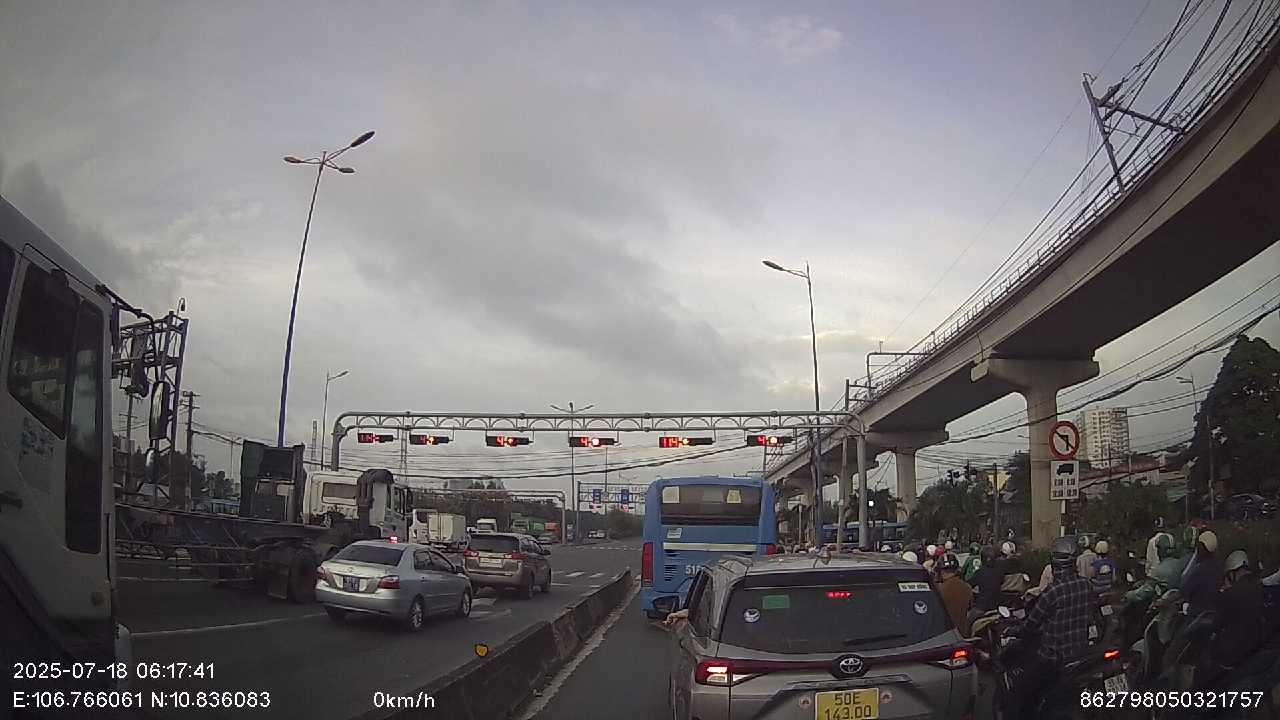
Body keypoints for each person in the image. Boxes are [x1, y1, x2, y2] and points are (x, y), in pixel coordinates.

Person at [1006, 536, 1095, 719]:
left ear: (1054, 563)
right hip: (1080, 654)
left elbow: (1031, 624)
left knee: (1020, 691)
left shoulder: (1052, 592)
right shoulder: (1086, 585)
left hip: (1053, 659)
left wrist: (1015, 630)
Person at [1211, 550, 1264, 669]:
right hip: (1257, 646)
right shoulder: (1259, 586)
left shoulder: (1230, 594)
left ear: (1232, 573)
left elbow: (1217, 624)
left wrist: (1224, 592)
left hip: (1233, 653)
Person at [1180, 529, 1222, 618]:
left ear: (1201, 548)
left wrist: (1164, 602)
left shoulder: (1200, 570)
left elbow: (1184, 591)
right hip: (1215, 613)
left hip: (1197, 615)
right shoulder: (1219, 566)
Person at [935, 553, 974, 636]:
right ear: (956, 570)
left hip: (943, 635)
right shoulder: (967, 587)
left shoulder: (938, 590)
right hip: (963, 635)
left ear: (941, 571)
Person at [973, 545, 1005, 612]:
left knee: (968, 618)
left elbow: (969, 584)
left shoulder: (979, 572)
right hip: (997, 606)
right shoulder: (999, 571)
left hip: (982, 607)